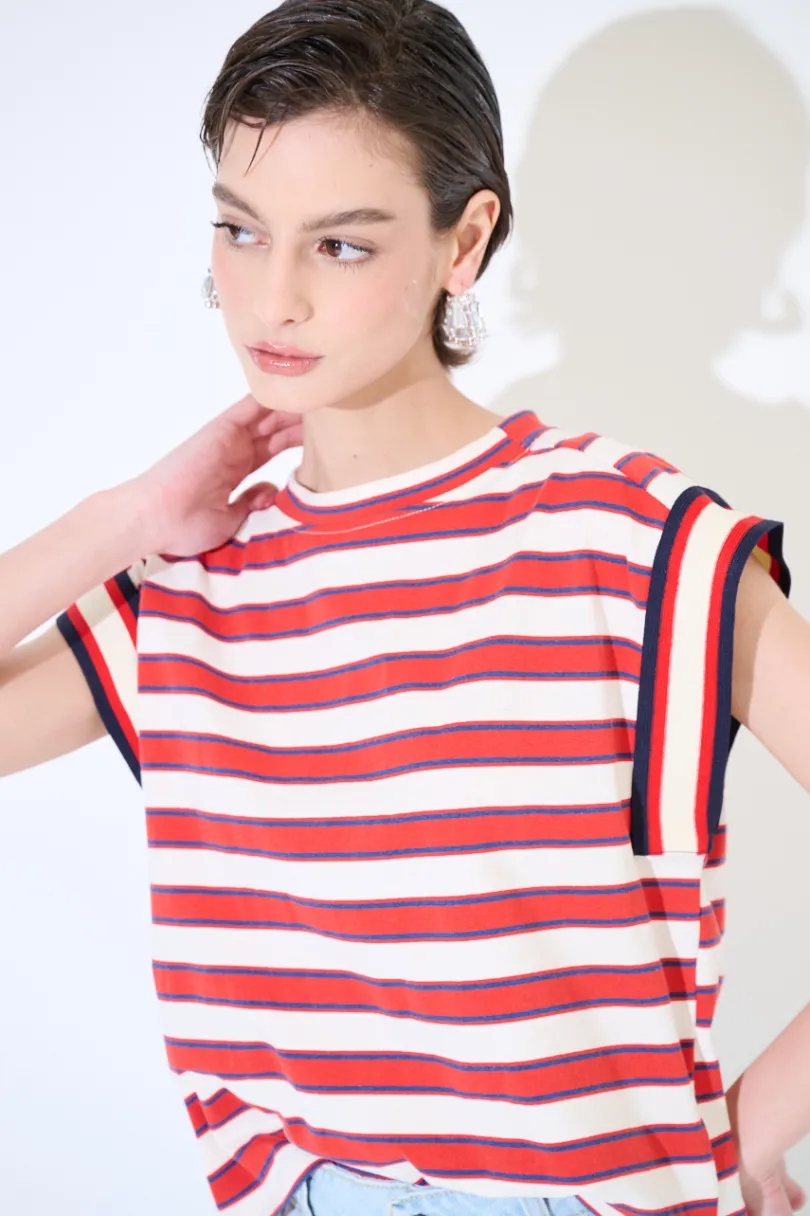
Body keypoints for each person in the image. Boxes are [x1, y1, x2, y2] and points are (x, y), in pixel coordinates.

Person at [0, 1, 808, 1215]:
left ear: (463, 240)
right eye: (240, 229)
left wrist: (747, 1135)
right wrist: (121, 517)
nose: (271, 300)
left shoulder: (632, 542)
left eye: (340, 245)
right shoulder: (194, 581)